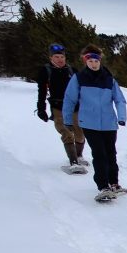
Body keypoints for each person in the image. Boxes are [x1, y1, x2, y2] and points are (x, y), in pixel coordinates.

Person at [62, 44, 127, 203]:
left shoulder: (109, 79)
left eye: (96, 60)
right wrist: (67, 119)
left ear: (100, 61)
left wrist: (121, 117)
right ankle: (103, 186)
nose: (93, 63)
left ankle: (114, 183)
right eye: (90, 60)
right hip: (89, 123)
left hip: (109, 123)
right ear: (85, 61)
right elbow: (70, 99)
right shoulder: (79, 78)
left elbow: (119, 99)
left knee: (111, 153)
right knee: (99, 153)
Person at [35, 43, 88, 172]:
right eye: (57, 57)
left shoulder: (72, 71)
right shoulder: (46, 71)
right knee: (66, 132)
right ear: (51, 58)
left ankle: (79, 155)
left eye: (62, 57)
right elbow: (42, 91)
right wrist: (41, 108)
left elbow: (82, 89)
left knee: (80, 134)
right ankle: (73, 162)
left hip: (75, 107)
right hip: (58, 107)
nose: (60, 60)